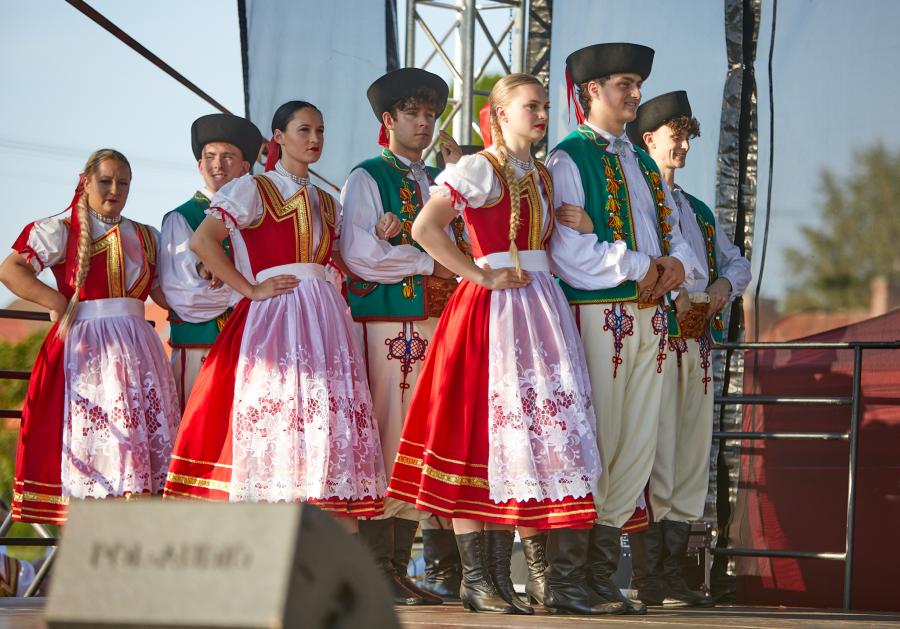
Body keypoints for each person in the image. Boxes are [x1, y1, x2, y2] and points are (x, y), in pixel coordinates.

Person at [387, 73, 613, 616]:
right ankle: (477, 579)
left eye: (543, 106)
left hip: (540, 306)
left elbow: (553, 245)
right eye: (530, 106)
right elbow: (425, 228)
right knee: (480, 436)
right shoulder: (479, 167)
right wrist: (479, 275)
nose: (541, 115)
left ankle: (533, 581)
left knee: (534, 437)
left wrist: (585, 224)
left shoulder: (542, 173)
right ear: (501, 114)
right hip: (493, 310)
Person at [163, 101, 386, 530]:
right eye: (304, 130)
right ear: (278, 138)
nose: (315, 139)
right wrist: (248, 289)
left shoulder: (326, 200)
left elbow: (344, 260)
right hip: (278, 316)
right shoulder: (253, 188)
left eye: (320, 130)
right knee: (281, 418)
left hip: (324, 320)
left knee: (323, 421)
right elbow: (203, 242)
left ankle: (326, 545)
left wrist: (378, 234)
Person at [546, 43, 705, 614]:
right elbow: (570, 252)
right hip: (601, 315)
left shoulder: (639, 161)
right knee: (599, 440)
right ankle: (567, 580)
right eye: (624, 84)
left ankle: (597, 577)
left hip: (650, 317)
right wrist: (646, 266)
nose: (635, 94)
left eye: (637, 84)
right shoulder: (568, 158)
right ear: (592, 90)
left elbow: (676, 231)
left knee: (635, 448)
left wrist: (676, 265)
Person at [1, 149, 180, 524]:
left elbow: (164, 293)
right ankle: (97, 534)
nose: (115, 190)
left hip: (139, 352)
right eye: (106, 181)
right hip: (90, 352)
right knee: (101, 444)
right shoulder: (62, 229)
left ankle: (136, 534)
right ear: (85, 182)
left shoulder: (147, 235)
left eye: (123, 183)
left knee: (139, 450)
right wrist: (56, 301)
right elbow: (11, 269)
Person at [341, 67, 465, 606]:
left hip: (435, 324)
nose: (423, 123)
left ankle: (396, 565)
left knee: (421, 439)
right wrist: (428, 262)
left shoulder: (439, 181)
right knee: (388, 437)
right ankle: (377, 568)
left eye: (430, 114)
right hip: (390, 327)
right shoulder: (366, 177)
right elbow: (359, 254)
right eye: (413, 113)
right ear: (388, 119)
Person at [626, 90, 751, 607]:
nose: (683, 145)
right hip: (654, 339)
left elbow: (736, 262)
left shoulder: (695, 210)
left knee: (692, 454)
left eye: (687, 137)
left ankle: (673, 573)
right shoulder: (638, 202)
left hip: (696, 343)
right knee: (655, 452)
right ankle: (648, 576)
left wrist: (721, 288)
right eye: (675, 136)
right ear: (649, 139)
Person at [159, 113, 263, 409]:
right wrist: (247, 288)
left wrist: (225, 276)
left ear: (245, 167)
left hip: (253, 347)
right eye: (210, 156)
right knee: (197, 425)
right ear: (199, 165)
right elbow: (185, 296)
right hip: (200, 346)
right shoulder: (182, 218)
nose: (218, 164)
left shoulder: (257, 216)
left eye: (228, 156)